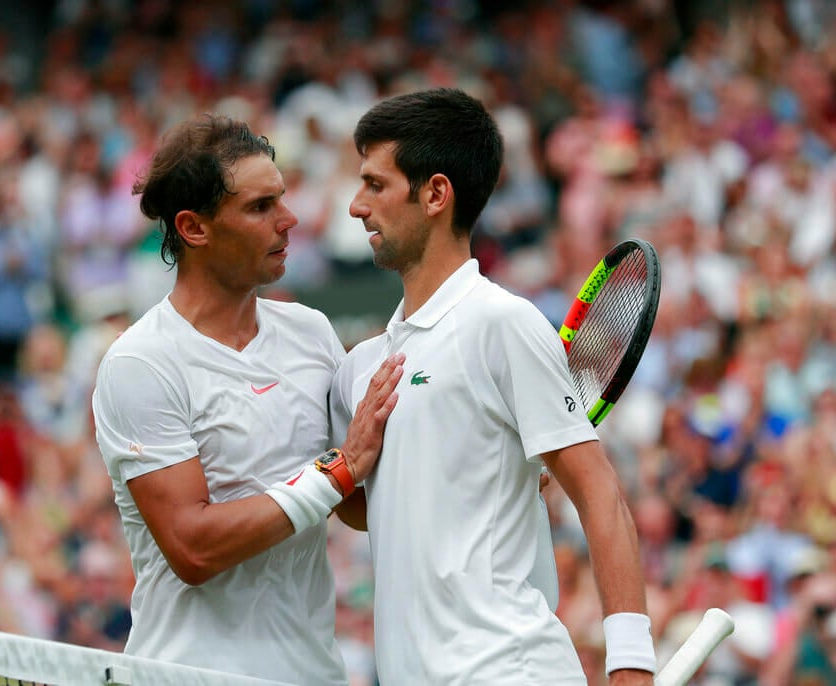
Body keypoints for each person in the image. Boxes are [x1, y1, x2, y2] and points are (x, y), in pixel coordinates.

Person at [329, 88, 655, 685]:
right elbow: (372, 512)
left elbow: (600, 495)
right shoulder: (361, 368)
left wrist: (631, 666)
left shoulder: (499, 323)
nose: (356, 206)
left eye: (376, 185)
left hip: (510, 669)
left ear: (435, 194)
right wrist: (348, 465)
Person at [90, 114, 404, 685]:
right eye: (260, 208)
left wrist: (479, 470)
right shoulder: (140, 364)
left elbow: (355, 505)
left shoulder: (310, 332)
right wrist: (337, 472)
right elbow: (194, 550)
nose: (289, 221)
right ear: (194, 228)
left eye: (281, 199)